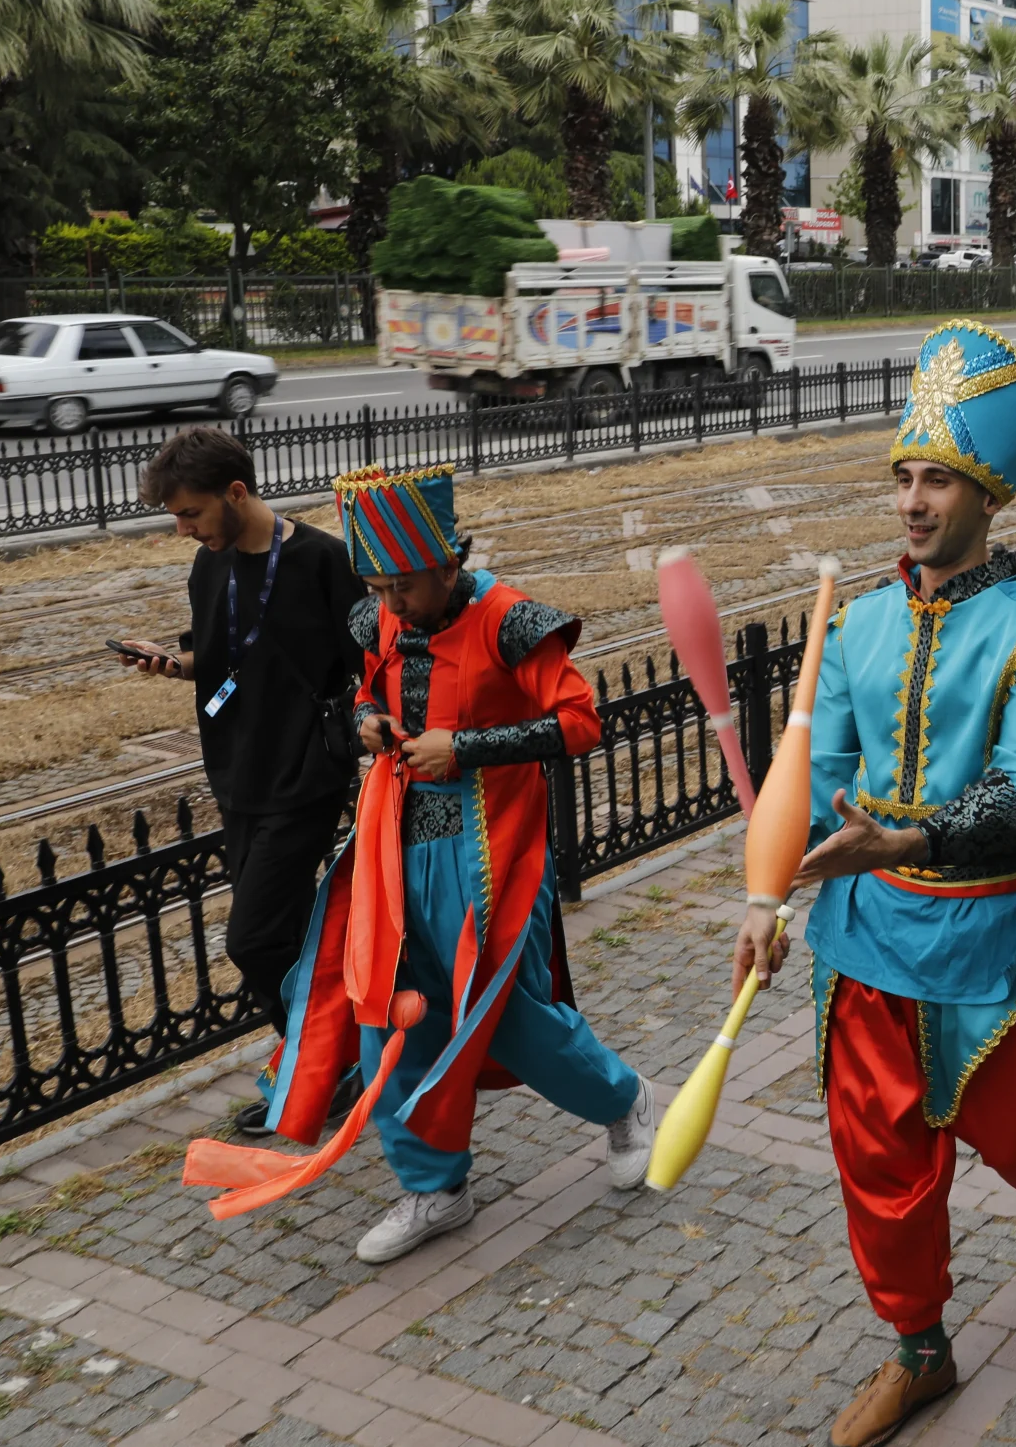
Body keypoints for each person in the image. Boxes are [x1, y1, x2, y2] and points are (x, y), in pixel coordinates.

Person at [735, 322, 1016, 1446]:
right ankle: (921, 1351)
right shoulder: (856, 625)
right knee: (882, 1165)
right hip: (861, 942)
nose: (910, 500)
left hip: (983, 938)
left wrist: (907, 843)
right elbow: (818, 778)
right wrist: (768, 898)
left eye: (935, 477)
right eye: (902, 476)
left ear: (987, 494)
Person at [187, 463, 651, 1264]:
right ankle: (434, 1184)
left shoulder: (511, 621)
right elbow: (363, 687)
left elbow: (580, 723)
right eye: (378, 587)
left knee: (503, 1012)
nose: (390, 605)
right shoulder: (378, 621)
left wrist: (466, 748)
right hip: (396, 852)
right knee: (391, 1014)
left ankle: (627, 1100)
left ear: (447, 561)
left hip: (491, 852)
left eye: (404, 586)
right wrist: (367, 718)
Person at [124, 428, 366, 1137]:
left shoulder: (321, 559)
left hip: (304, 777)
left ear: (236, 493)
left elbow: (368, 662)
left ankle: (330, 1062)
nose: (184, 529)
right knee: (284, 936)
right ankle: (321, 1066)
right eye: (176, 517)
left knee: (253, 940)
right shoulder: (210, 564)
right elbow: (217, 653)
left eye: (191, 513)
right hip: (236, 775)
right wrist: (174, 662)